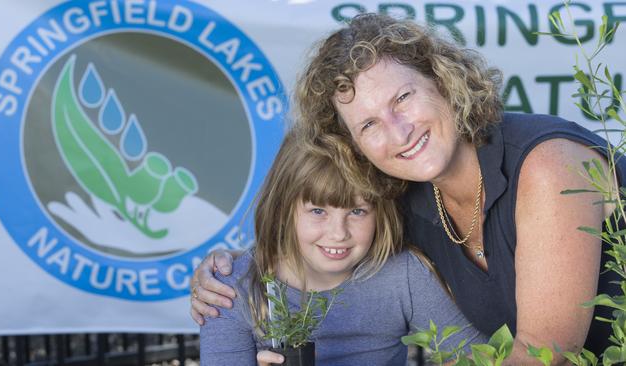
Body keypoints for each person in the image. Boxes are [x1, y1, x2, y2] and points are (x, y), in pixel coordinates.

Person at [191, 14, 625, 364]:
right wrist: (231, 266)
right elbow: (324, 225)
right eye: (368, 124)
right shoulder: (404, 193)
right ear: (355, 148)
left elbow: (546, 357)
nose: (398, 132)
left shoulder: (546, 168)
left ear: (443, 81)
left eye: (402, 98)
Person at [199, 130, 487, 365]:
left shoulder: (402, 274)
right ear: (283, 210)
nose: (338, 234)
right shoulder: (231, 289)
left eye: (358, 212)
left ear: (380, 213)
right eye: (317, 211)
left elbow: (480, 357)